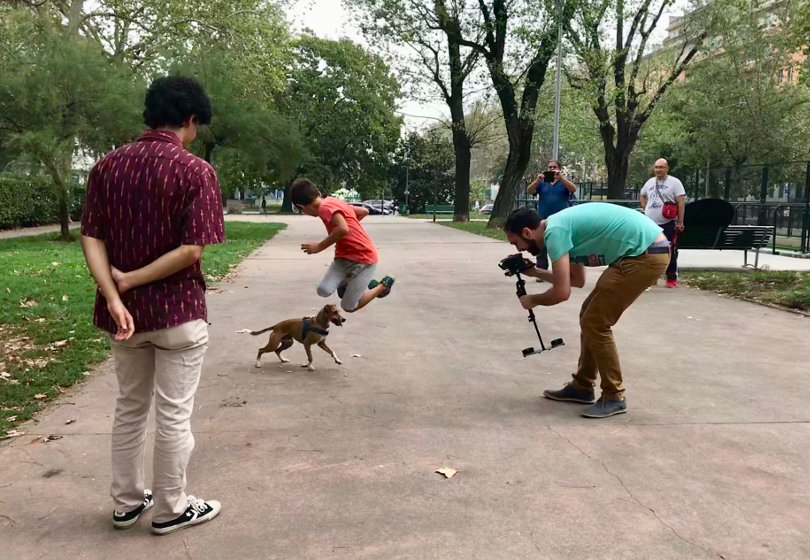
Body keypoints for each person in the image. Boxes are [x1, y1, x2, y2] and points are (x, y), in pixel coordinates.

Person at [81, 76, 223, 535]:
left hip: (123, 319)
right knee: (173, 413)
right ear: (189, 119)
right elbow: (192, 250)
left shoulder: (107, 166)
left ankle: (125, 502)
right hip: (178, 313)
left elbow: (92, 236)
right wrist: (134, 278)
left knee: (129, 408)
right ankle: (170, 507)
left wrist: (113, 292)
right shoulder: (195, 171)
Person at [503, 203, 670, 418]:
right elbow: (576, 280)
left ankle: (614, 396)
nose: (519, 249)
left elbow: (562, 293)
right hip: (645, 250)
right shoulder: (559, 228)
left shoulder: (555, 233)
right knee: (589, 315)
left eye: (516, 242)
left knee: (596, 322)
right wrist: (534, 271)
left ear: (527, 232)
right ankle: (582, 387)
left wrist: (532, 300)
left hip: (644, 254)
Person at [290, 178, 394, 312]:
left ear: (301, 207)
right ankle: (356, 280)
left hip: (364, 260)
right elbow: (364, 211)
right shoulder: (332, 202)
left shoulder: (324, 209)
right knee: (323, 290)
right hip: (344, 258)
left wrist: (319, 247)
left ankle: (382, 287)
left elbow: (343, 229)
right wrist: (352, 227)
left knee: (348, 306)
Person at [639, 158, 686, 288]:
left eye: (661, 167)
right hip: (650, 223)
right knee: (649, 251)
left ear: (667, 168)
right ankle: (652, 277)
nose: (658, 170)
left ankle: (671, 277)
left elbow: (681, 202)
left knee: (669, 251)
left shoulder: (675, 183)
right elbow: (642, 194)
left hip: (668, 222)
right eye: (656, 167)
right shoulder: (649, 182)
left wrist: (680, 221)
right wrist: (644, 207)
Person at [526, 160, 577, 274]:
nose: (552, 169)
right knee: (541, 244)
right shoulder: (543, 183)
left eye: (554, 167)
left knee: (562, 244)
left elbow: (573, 189)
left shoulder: (563, 182)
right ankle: (541, 270)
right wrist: (538, 180)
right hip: (543, 218)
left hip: (562, 219)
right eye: (550, 167)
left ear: (559, 168)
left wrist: (562, 178)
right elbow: (529, 190)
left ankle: (563, 271)